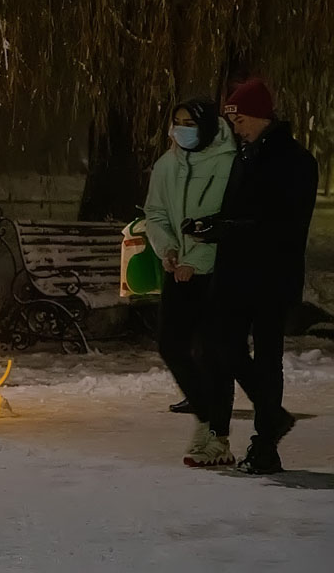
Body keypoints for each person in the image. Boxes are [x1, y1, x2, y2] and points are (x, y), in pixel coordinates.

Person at [185, 79, 318, 474]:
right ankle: (272, 417)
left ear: (260, 116)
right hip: (238, 274)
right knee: (219, 343)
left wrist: (223, 228)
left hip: (270, 275)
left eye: (240, 119)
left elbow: (280, 224)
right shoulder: (244, 155)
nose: (235, 127)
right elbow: (240, 211)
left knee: (266, 356)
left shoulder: (293, 160)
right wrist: (212, 224)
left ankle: (265, 445)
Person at [144, 97, 237, 467]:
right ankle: (207, 419)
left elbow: (227, 220)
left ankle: (218, 437)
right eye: (177, 121)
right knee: (172, 345)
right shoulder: (166, 165)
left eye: (190, 122)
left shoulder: (229, 163)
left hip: (217, 273)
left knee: (214, 354)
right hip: (178, 270)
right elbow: (155, 213)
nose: (181, 129)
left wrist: (196, 262)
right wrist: (167, 249)